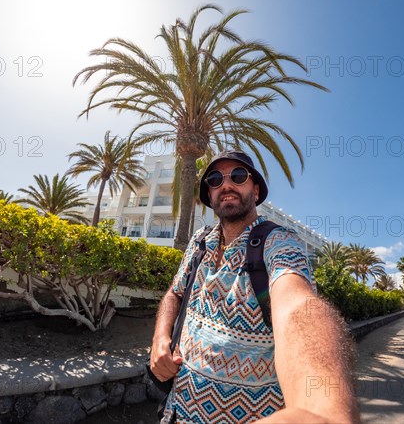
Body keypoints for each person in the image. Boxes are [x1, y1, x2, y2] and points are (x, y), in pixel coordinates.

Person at [149, 150, 360, 423]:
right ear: (209, 195)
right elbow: (174, 293)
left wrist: (320, 407)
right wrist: (160, 338)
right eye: (215, 179)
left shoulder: (279, 242)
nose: (225, 185)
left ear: (255, 189)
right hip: (175, 413)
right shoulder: (200, 241)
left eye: (238, 176)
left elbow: (297, 306)